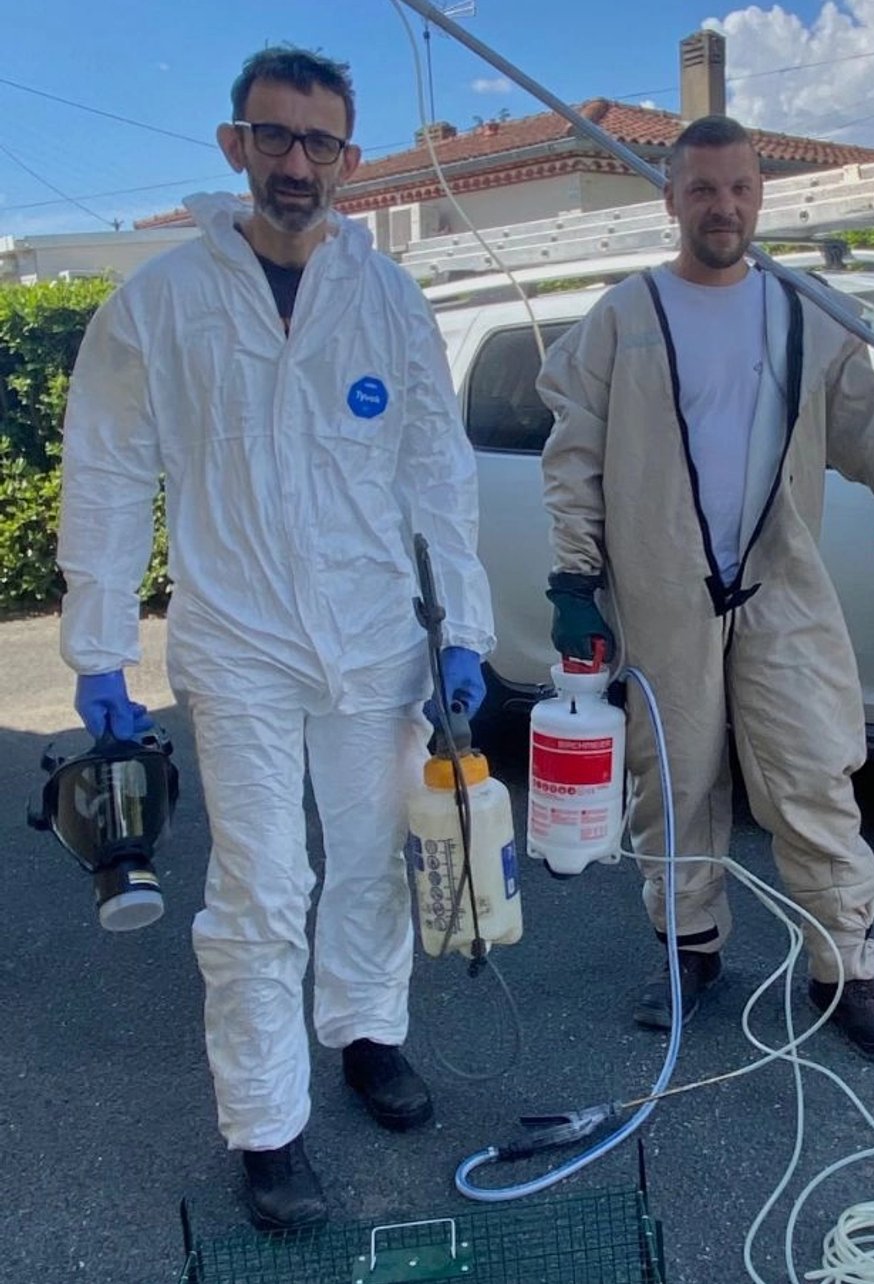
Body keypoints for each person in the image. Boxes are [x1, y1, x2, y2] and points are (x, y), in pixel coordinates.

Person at [536, 115, 874, 1064]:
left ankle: (845, 969)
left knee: (814, 770)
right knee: (675, 779)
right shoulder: (623, 321)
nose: (724, 206)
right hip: (664, 588)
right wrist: (575, 581)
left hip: (778, 583)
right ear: (670, 199)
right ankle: (688, 950)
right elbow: (572, 457)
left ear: (760, 195)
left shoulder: (806, 313)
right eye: (702, 189)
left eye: (740, 188)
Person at [57, 47, 494, 1230]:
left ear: (349, 160)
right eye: (274, 137)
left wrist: (465, 627)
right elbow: (104, 469)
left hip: (371, 640)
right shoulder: (163, 300)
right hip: (238, 639)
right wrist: (97, 645)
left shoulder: (386, 297)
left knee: (370, 865)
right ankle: (265, 1122)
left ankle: (365, 1032)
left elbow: (435, 472)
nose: (296, 163)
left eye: (319, 144)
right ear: (233, 144)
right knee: (261, 886)